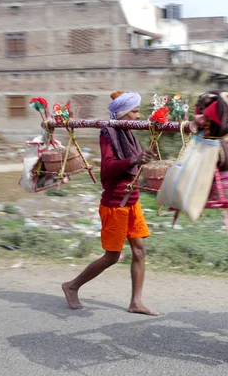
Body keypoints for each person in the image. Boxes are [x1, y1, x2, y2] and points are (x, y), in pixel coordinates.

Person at [62, 91, 159, 316]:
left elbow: (131, 164)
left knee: (140, 251)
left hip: (132, 201)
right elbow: (107, 168)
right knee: (112, 256)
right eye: (134, 111)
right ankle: (71, 286)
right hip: (115, 203)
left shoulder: (129, 134)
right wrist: (134, 159)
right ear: (122, 113)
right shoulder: (109, 134)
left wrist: (142, 158)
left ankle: (136, 302)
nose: (138, 116)